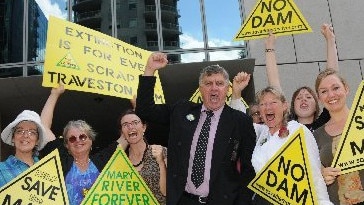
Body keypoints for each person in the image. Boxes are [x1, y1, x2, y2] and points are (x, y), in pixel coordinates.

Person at [135, 52, 256, 205]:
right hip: (183, 200)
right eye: (208, 83)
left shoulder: (240, 121)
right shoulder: (181, 111)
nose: (214, 88)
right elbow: (144, 110)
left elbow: (248, 170)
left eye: (219, 84)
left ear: (227, 89)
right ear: (200, 88)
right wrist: (150, 70)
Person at [230, 82, 332, 204]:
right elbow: (240, 123)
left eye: (273, 102)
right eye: (263, 104)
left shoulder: (297, 130)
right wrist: (236, 93)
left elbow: (314, 173)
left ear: (285, 106)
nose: (268, 107)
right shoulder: (262, 133)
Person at [39, 85, 128, 205]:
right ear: (66, 145)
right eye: (71, 138)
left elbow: (129, 134)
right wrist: (54, 94)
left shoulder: (103, 159)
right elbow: (43, 126)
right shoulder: (60, 161)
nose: (78, 140)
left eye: (82, 136)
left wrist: (135, 102)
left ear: (91, 139)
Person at [264, 24, 337, 132]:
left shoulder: (324, 123)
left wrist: (330, 39)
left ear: (317, 104)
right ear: (292, 106)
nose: (303, 99)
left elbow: (332, 77)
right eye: (298, 98)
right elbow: (274, 85)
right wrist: (269, 48)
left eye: (308, 97)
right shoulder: (286, 125)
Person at [314, 68, 364, 204]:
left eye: (335, 88)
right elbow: (311, 173)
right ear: (319, 98)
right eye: (324, 91)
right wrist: (320, 175)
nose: (331, 95)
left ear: (346, 89)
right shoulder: (315, 135)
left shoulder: (362, 119)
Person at [119, 109, 167, 205]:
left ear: (144, 127)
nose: (130, 127)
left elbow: (166, 192)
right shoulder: (121, 161)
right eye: (125, 125)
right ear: (122, 133)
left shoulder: (162, 152)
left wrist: (161, 162)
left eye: (135, 122)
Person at [0, 110, 48, 187]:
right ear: (13, 138)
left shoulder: (47, 170)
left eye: (32, 132)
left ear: (37, 141)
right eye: (20, 131)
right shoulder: (1, 170)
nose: (25, 135)